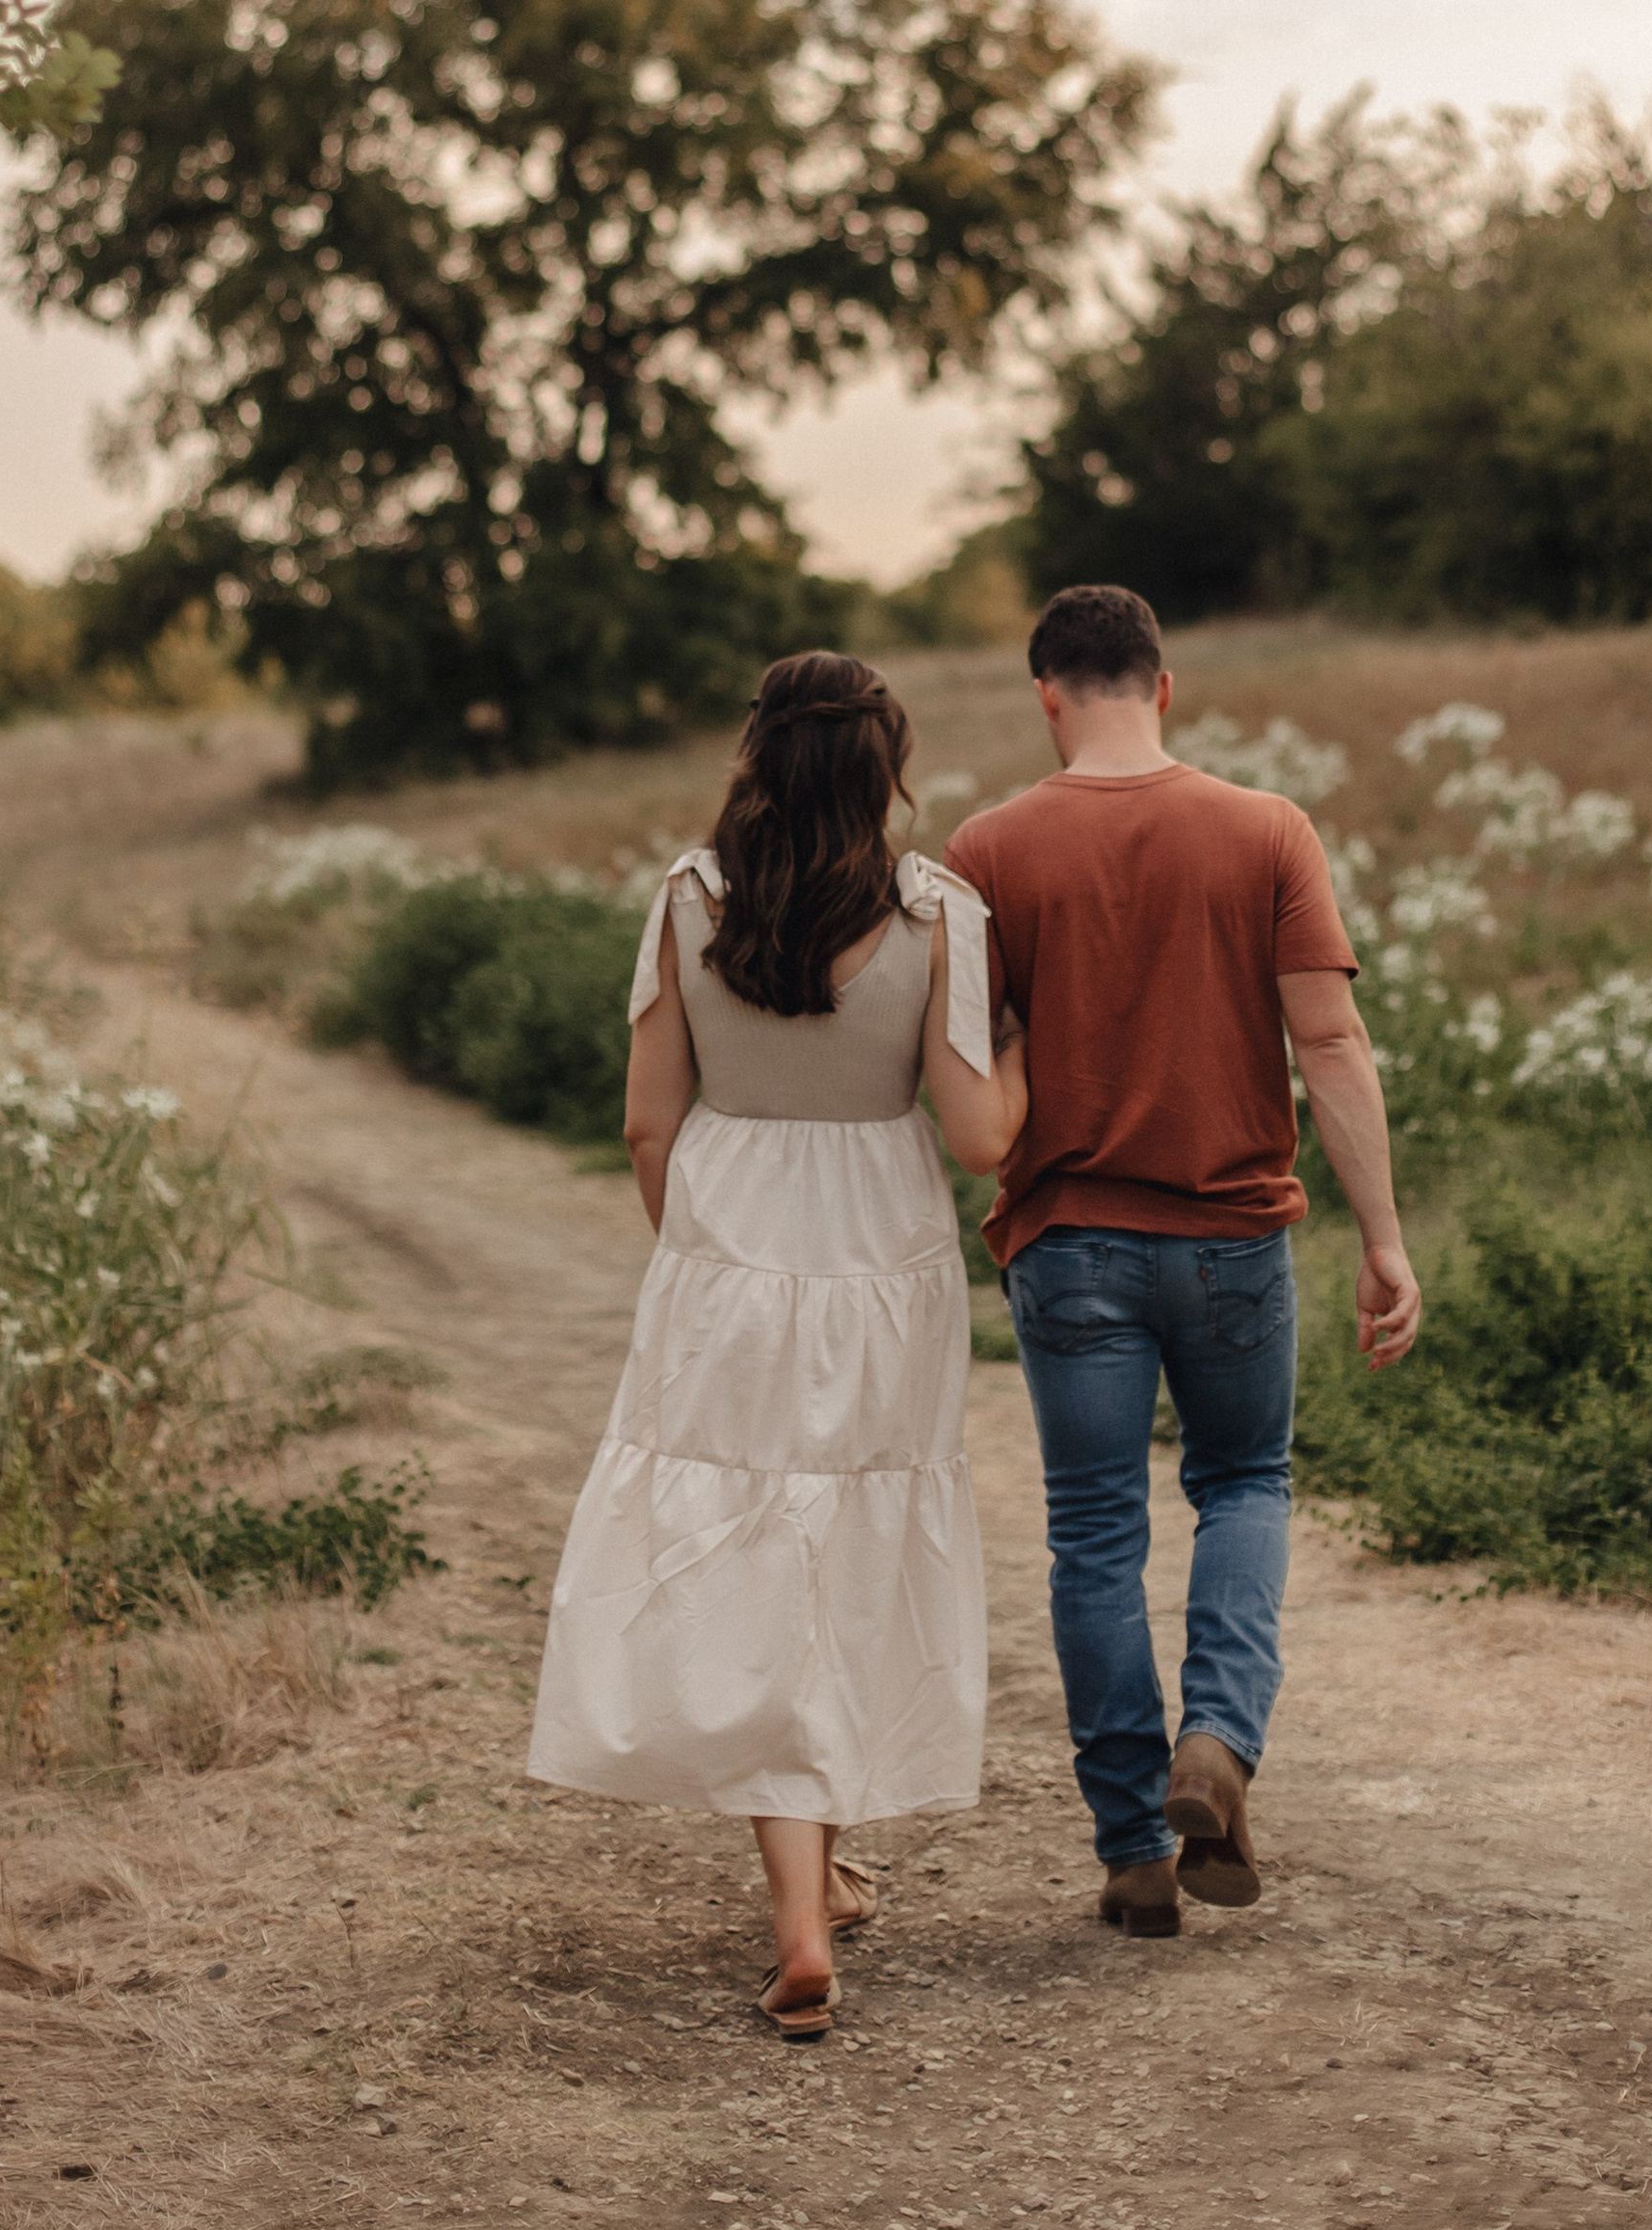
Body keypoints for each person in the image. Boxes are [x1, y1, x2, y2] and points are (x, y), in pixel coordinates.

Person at [527, 652, 1027, 2038]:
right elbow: (981, 1139)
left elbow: (648, 1122)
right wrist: (1026, 1045)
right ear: (886, 769)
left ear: (757, 757)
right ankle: (811, 1898)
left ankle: (806, 1913)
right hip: (882, 1260)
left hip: (728, 1249)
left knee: (751, 1557)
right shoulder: (940, 912)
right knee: (846, 1546)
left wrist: (698, 1255)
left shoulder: (690, 899)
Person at [943, 583, 1420, 1939]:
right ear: (1164, 686)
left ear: (1047, 696)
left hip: (1069, 1244)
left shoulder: (987, 850)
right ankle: (1215, 1743)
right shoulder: (1267, 830)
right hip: (1232, 1240)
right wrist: (1383, 1237)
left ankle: (1132, 1852)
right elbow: (1329, 1042)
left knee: (1095, 1530)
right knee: (1245, 1483)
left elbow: (975, 1077)